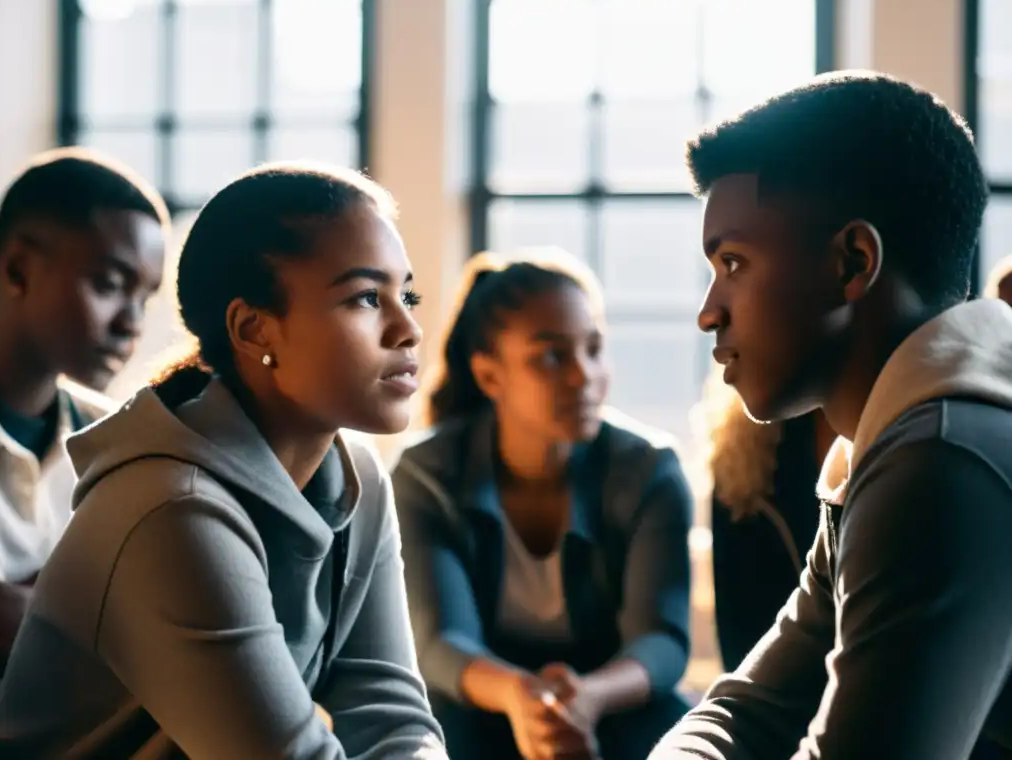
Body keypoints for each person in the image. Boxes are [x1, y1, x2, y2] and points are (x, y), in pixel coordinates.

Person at [0, 162, 447, 759]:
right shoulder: (173, 507)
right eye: (365, 297)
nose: (408, 328)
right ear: (254, 330)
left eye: (404, 294)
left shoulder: (359, 477)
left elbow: (389, 712)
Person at [649, 70, 1012, 759]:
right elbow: (748, 709)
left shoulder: (943, 463)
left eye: (733, 262)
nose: (708, 311)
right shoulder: (887, 447)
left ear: (853, 261)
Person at [393, 250, 693, 760]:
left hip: (614, 700)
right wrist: (521, 696)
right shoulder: (427, 476)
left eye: (594, 349)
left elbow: (661, 641)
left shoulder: (650, 471)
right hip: (481, 703)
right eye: (551, 357)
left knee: (676, 734)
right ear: (490, 377)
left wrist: (587, 699)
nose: (583, 376)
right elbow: (440, 640)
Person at [0, 148, 168, 692]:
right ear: (19, 268)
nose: (130, 325)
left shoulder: (125, 443)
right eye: (111, 284)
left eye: (146, 298)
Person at [697, 367, 832, 671]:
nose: (711, 320)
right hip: (786, 700)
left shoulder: (915, 432)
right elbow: (740, 647)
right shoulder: (741, 455)